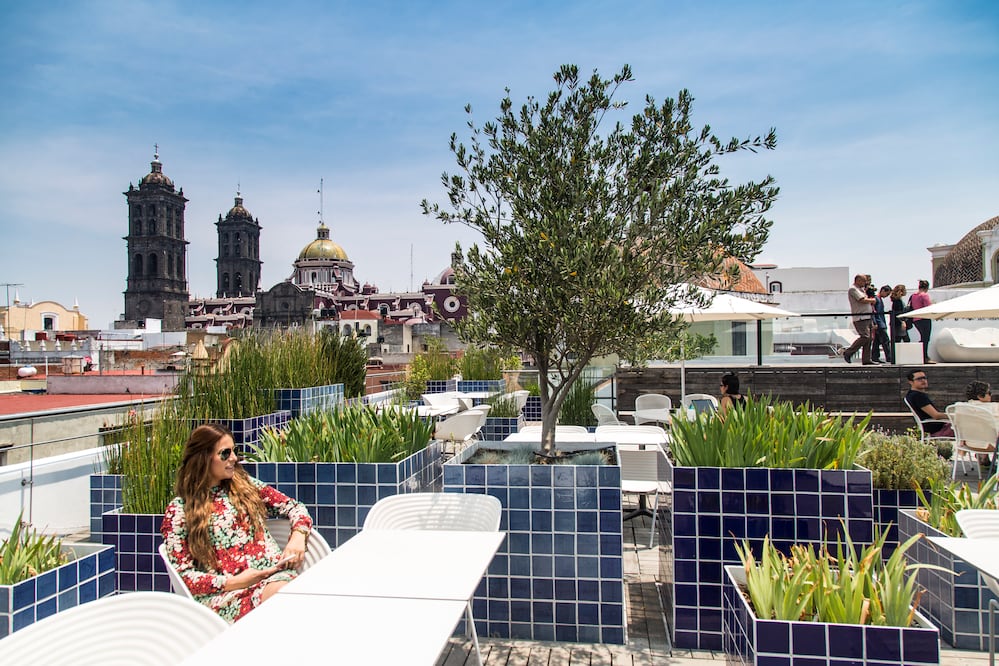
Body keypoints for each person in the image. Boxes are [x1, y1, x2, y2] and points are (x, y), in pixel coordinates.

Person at [161, 424, 313, 623]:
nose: (234, 458)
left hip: (276, 580)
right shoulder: (180, 511)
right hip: (228, 597)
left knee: (306, 593)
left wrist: (298, 537)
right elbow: (186, 577)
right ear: (204, 458)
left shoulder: (246, 487)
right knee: (290, 598)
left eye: (235, 451)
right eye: (225, 453)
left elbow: (295, 507)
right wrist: (235, 582)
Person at [904, 370, 954, 438]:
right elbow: (936, 415)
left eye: (924, 378)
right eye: (919, 379)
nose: (923, 380)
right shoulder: (918, 396)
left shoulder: (911, 395)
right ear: (911, 382)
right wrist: (955, 416)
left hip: (934, 426)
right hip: (938, 429)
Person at [840, 274, 877, 365]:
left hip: (867, 316)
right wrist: (872, 300)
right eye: (863, 281)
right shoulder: (853, 289)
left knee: (869, 338)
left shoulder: (862, 290)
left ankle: (866, 359)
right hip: (860, 317)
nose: (865, 283)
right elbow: (861, 299)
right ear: (858, 280)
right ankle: (848, 352)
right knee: (865, 336)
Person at [909, 279, 935, 363]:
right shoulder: (924, 295)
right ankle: (925, 357)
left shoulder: (913, 295)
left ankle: (921, 356)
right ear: (926, 287)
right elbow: (928, 307)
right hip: (924, 319)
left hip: (916, 319)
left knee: (922, 338)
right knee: (925, 338)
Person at [871, 285, 893, 364]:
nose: (886, 296)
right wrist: (875, 322)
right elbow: (873, 311)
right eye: (887, 294)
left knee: (877, 341)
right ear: (883, 290)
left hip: (880, 322)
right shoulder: (877, 299)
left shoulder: (878, 299)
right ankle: (889, 357)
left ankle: (875, 357)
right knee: (885, 340)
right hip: (879, 322)